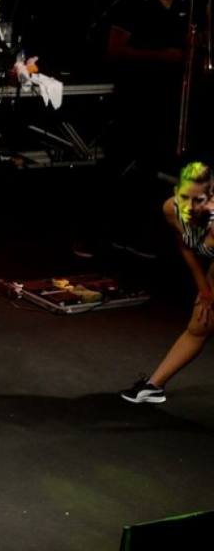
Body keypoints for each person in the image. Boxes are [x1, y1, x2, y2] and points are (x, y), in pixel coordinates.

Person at [100, 0, 188, 259]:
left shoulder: (186, 3)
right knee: (124, 164)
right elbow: (114, 50)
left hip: (169, 98)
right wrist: (161, 56)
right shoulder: (134, 0)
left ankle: (141, 234)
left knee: (154, 167)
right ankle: (107, 235)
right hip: (135, 96)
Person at [121, 161, 214, 404]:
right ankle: (153, 387)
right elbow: (185, 245)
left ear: (210, 198)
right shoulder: (171, 209)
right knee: (200, 324)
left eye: (199, 200)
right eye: (185, 197)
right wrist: (203, 288)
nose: (190, 207)